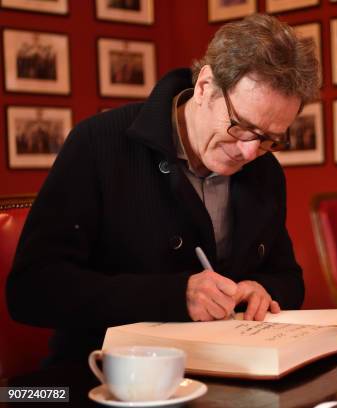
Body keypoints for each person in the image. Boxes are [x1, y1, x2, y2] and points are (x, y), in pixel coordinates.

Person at [6, 14, 319, 365]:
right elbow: (32, 290)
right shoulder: (98, 144)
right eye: (241, 126)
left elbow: (288, 278)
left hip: (226, 375)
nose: (249, 152)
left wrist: (265, 290)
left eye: (269, 138)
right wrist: (174, 295)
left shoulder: (265, 171)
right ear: (205, 86)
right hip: (104, 378)